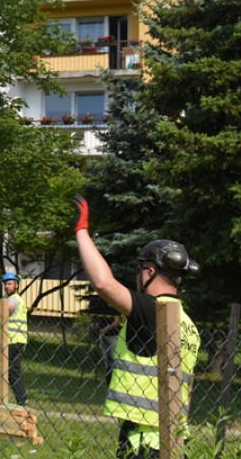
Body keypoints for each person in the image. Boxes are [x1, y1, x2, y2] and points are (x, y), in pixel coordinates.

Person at [72, 194, 201, 458]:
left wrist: (81, 231)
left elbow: (104, 284)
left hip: (142, 442)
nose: (136, 275)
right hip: (175, 441)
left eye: (140, 269)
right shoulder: (189, 325)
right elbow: (187, 389)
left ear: (150, 272)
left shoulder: (150, 309)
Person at [0, 271, 29, 407]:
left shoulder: (13, 299)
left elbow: (6, 309)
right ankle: (22, 401)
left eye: (10, 284)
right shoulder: (19, 300)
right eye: (5, 284)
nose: (7, 286)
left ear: (16, 285)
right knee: (14, 372)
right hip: (19, 341)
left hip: (8, 342)